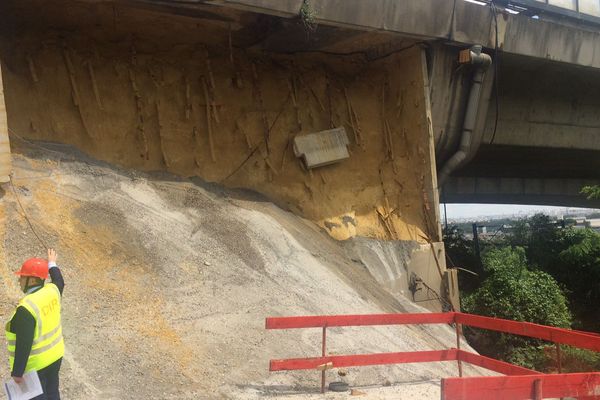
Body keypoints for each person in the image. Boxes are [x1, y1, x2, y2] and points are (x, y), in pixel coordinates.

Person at [5, 248, 65, 399]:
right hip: (55, 356)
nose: (19, 280)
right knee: (52, 392)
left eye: (22, 277)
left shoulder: (26, 308)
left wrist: (17, 373)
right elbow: (59, 280)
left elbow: (24, 343)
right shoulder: (52, 290)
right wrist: (52, 263)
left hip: (36, 366)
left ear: (31, 280)